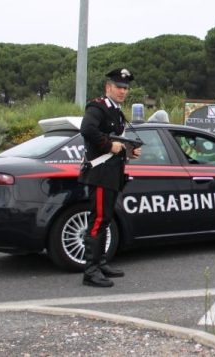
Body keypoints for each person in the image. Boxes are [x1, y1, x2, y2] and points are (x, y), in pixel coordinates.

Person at [78, 68, 141, 287]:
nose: (123, 91)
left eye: (125, 88)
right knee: (97, 221)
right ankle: (90, 270)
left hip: (112, 173)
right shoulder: (98, 107)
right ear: (108, 88)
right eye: (119, 87)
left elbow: (117, 141)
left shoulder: (116, 111)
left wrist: (128, 150)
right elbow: (87, 129)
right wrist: (109, 145)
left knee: (104, 220)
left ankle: (101, 262)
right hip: (100, 173)